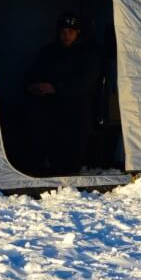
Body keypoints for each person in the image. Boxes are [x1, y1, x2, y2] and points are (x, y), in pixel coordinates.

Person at [23, 13, 103, 175]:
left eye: (71, 31)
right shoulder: (49, 52)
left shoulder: (89, 54)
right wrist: (33, 86)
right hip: (51, 108)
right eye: (64, 31)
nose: (67, 35)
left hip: (78, 108)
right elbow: (35, 72)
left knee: (74, 146)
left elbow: (86, 81)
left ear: (78, 32)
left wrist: (56, 88)